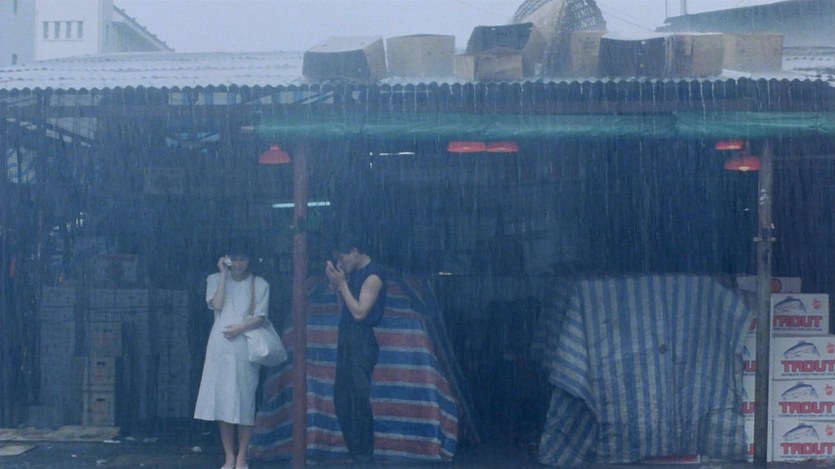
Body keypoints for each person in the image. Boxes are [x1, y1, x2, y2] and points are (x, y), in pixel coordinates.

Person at [194, 238, 269, 469]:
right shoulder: (214, 279)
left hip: (245, 346)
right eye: (234, 259)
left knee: (245, 401)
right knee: (223, 401)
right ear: (227, 259)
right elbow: (217, 304)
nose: (238, 264)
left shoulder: (260, 283)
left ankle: (242, 456)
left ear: (249, 260)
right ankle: (229, 455)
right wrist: (223, 274)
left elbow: (260, 317)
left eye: (242, 259)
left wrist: (240, 328)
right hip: (220, 347)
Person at [325, 238, 387, 463]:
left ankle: (364, 455)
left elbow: (360, 312)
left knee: (359, 399)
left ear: (354, 251)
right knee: (341, 398)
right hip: (346, 336)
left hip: (363, 340)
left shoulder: (373, 275)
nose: (341, 263)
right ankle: (355, 452)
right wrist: (337, 285)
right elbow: (344, 308)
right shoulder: (351, 274)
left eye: (342, 258)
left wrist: (343, 284)